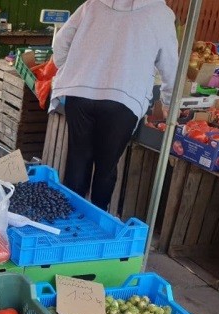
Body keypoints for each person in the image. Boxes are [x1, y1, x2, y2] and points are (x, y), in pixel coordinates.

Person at [50, 0, 178, 211]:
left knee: (77, 160)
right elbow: (170, 64)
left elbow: (61, 41)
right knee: (106, 167)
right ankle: (98, 222)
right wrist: (168, 100)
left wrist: (70, 69)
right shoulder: (160, 13)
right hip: (123, 100)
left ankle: (68, 219)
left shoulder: (92, 5)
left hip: (79, 93)